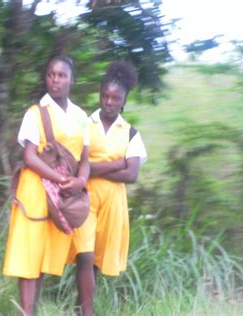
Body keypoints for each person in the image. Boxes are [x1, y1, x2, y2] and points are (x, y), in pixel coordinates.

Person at [3, 56, 95, 316]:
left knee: (44, 256)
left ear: (71, 80)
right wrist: (61, 180)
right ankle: (26, 312)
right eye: (51, 75)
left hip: (64, 194)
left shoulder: (80, 116)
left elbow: (85, 160)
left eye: (61, 75)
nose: (55, 80)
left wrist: (80, 181)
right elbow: (29, 157)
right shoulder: (36, 113)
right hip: (35, 190)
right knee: (29, 254)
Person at [85, 60, 147, 293]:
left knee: (98, 258)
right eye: (105, 96)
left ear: (123, 101)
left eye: (116, 98)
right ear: (100, 95)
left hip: (113, 203)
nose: (109, 102)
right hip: (85, 198)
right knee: (84, 253)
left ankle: (81, 307)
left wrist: (95, 167)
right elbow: (80, 167)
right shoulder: (85, 125)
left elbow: (131, 174)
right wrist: (117, 163)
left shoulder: (131, 133)